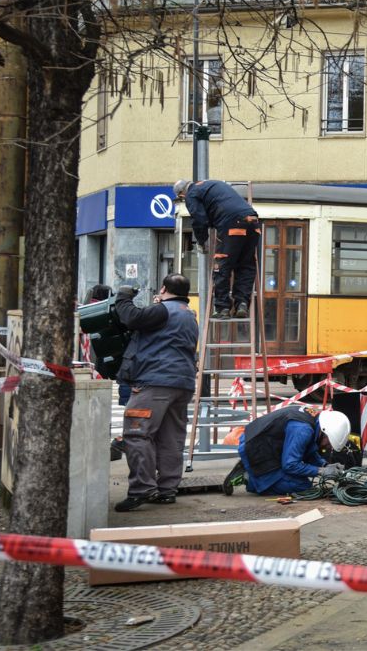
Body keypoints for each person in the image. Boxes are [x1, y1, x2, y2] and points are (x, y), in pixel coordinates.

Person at [113, 273, 199, 511]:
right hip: (182, 383)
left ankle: (141, 488)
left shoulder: (162, 310)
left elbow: (130, 317)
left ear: (162, 289)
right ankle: (167, 490)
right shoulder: (188, 314)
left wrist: (124, 296)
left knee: (137, 434)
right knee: (171, 438)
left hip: (155, 381)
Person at [174, 179, 260, 319]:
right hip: (253, 221)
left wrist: (201, 242)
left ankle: (222, 308)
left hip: (232, 224)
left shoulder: (191, 194)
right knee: (246, 266)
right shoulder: (213, 184)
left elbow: (199, 219)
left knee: (221, 266)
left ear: (182, 195)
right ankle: (242, 304)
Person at [235, 406, 350, 495]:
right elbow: (290, 465)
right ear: (325, 433)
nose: (327, 447)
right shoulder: (302, 430)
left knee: (301, 478)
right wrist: (321, 471)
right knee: (302, 486)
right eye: (329, 443)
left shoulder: (314, 420)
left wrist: (325, 465)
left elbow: (307, 450)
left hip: (261, 441)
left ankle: (253, 471)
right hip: (255, 449)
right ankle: (249, 477)